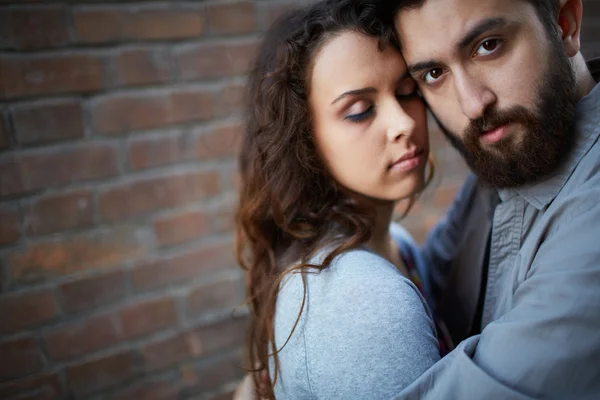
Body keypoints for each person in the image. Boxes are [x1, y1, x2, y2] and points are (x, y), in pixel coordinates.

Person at [380, 0, 600, 397]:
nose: (472, 104)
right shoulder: (507, 159)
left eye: (488, 46)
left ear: (565, 24)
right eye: (434, 73)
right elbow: (431, 280)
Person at [235, 0, 446, 398]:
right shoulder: (357, 297)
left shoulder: (394, 241)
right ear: (305, 141)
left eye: (407, 91)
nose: (403, 123)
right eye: (361, 111)